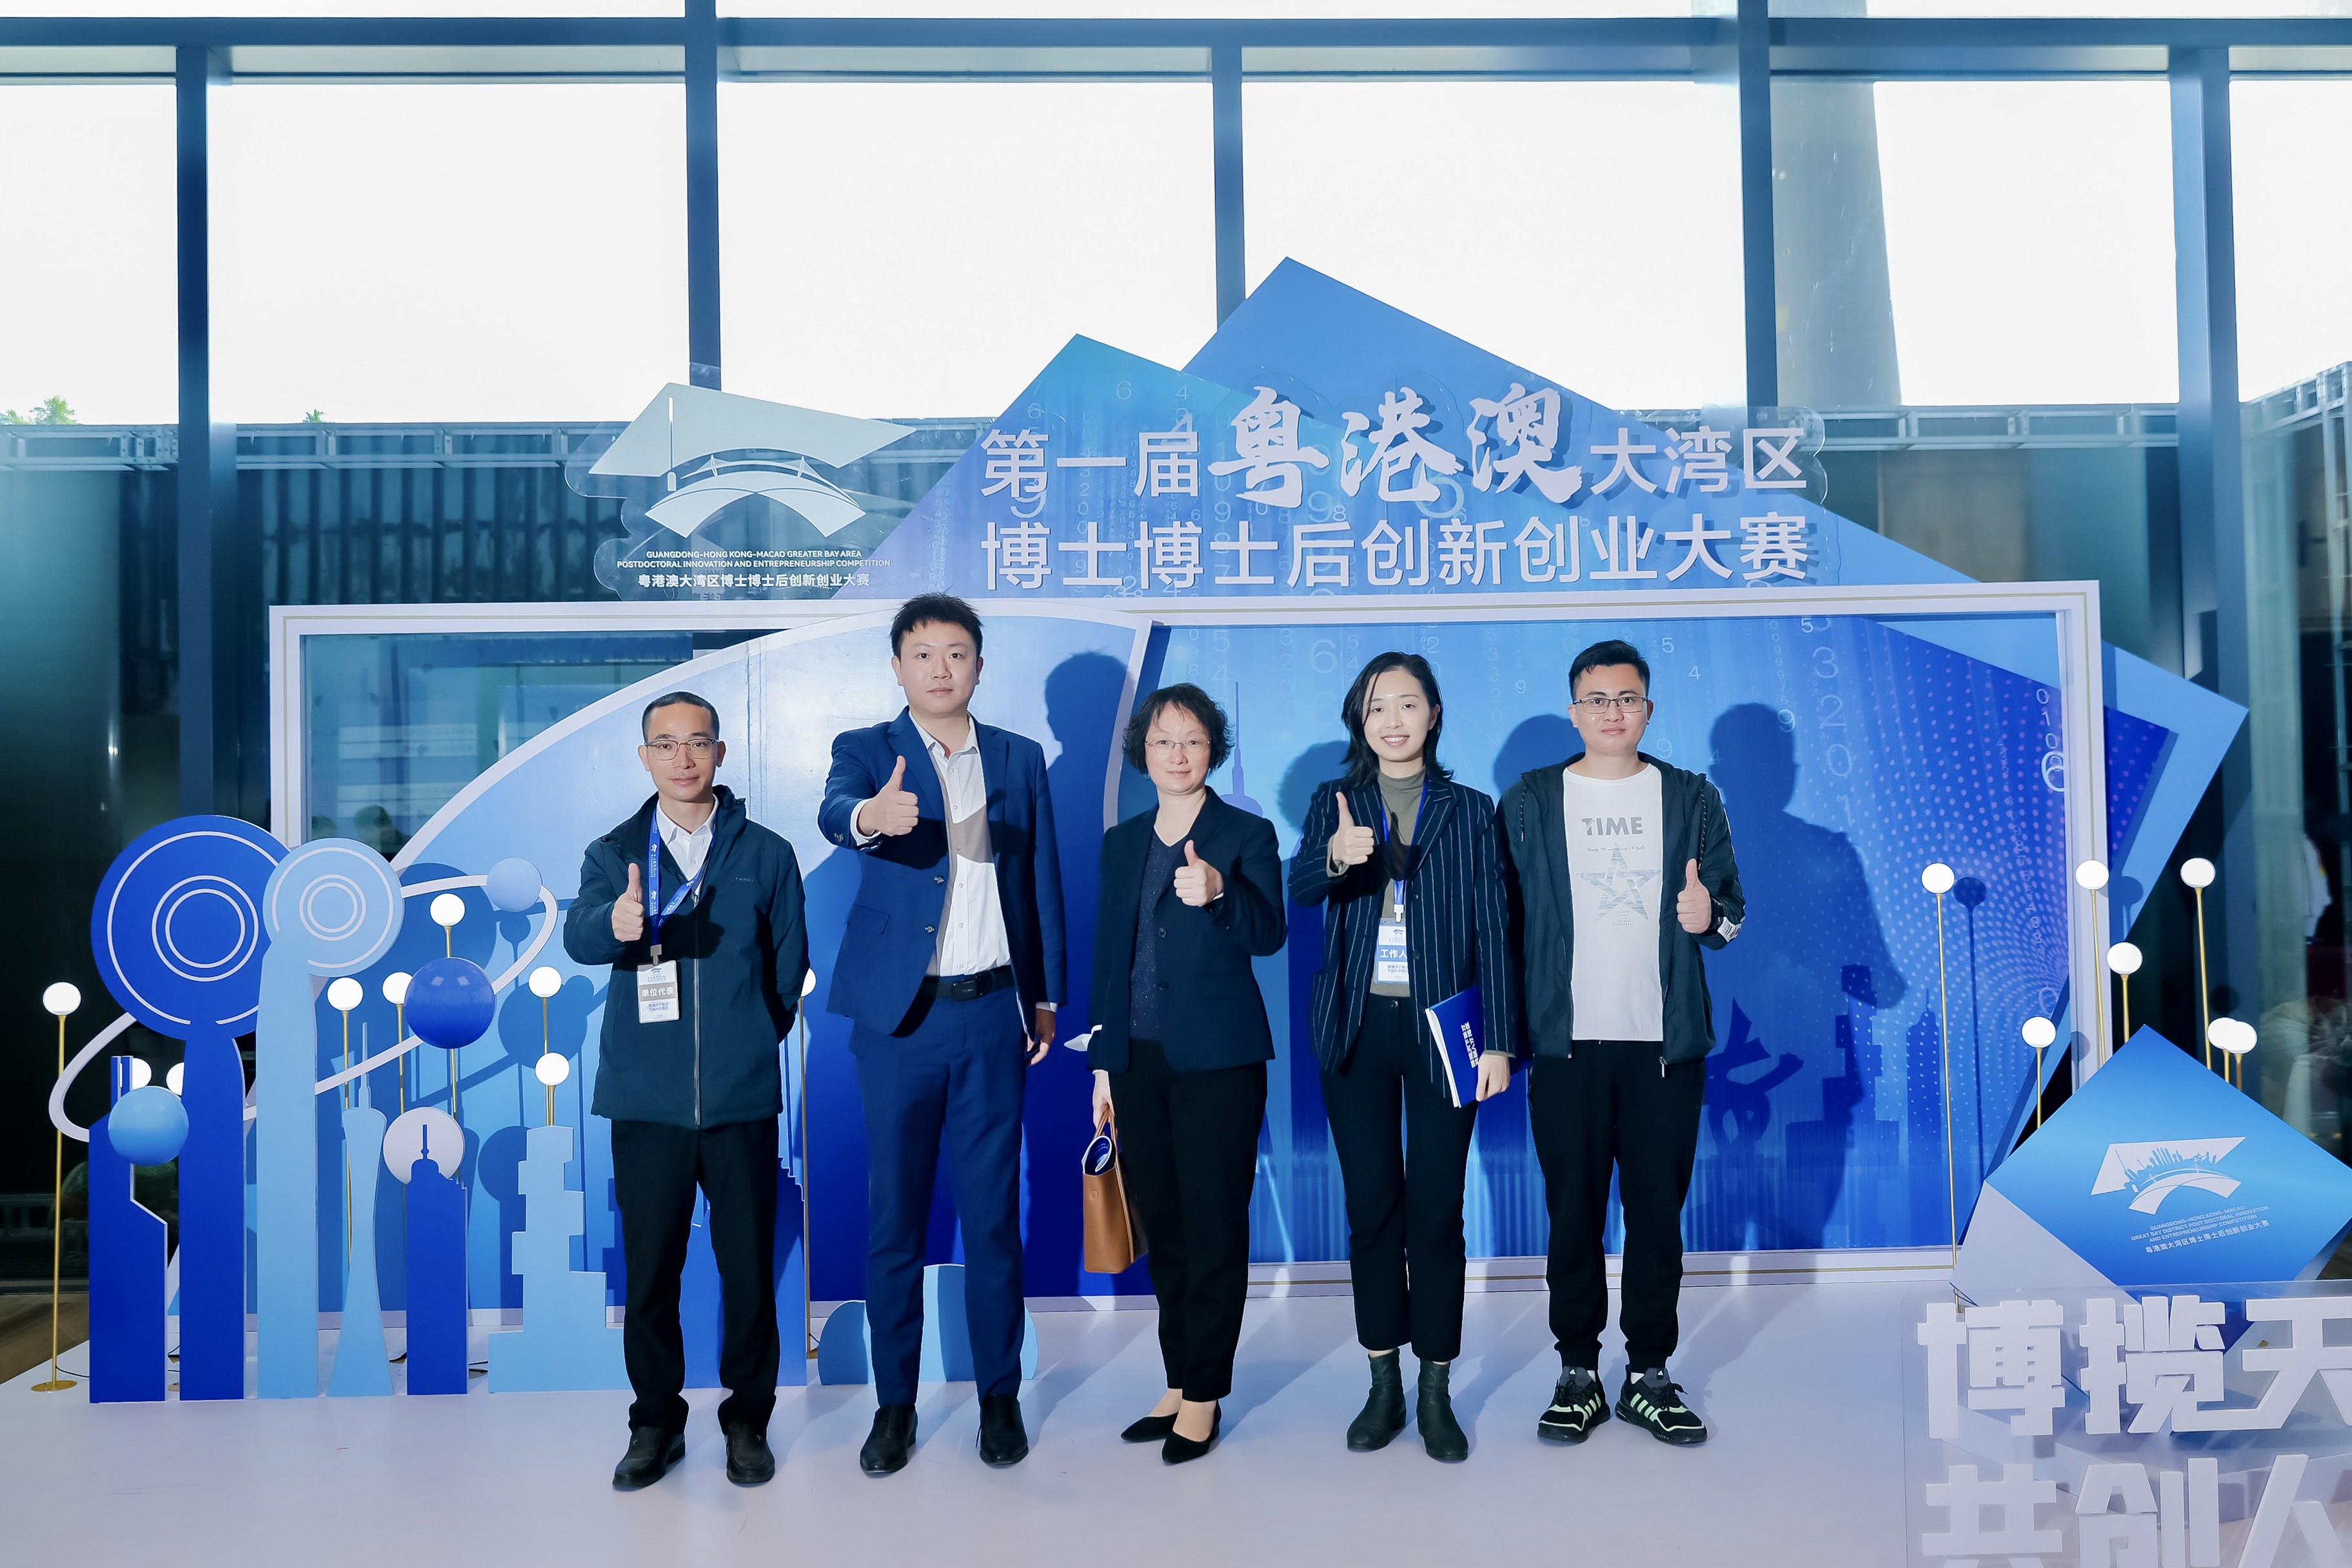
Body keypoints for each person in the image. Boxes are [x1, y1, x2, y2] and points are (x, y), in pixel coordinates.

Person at [816, 594, 1065, 1475]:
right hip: (899, 1021)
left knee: (993, 1220)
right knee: (895, 1220)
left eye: (955, 653)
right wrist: (868, 818)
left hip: (992, 1011)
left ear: (978, 666)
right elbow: (835, 810)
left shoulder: (1017, 756)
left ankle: (999, 1397)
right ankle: (894, 1406)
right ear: (897, 666)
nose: (939, 668)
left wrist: (1044, 997)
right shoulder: (865, 750)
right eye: (922, 653)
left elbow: (1040, 880)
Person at [1497, 639, 1744, 1448]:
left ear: (1647, 708)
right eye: (1596, 698)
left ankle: (1647, 1374)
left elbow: (1731, 913)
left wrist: (1708, 919)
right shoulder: (1529, 800)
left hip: (1662, 1049)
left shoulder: (1691, 796)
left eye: (1626, 697)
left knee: (1655, 1218)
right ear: (1574, 711)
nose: (1612, 711)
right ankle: (1577, 1371)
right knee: (1570, 1215)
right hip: (1564, 1047)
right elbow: (1499, 925)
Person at [562, 691, 808, 1492]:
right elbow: (578, 934)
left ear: (719, 752)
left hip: (740, 1099)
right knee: (650, 1274)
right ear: (644, 757)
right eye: (665, 744)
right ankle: (654, 1423)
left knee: (748, 1271)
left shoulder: (766, 852)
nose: (682, 757)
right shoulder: (614, 851)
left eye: (697, 741)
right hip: (645, 1100)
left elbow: (786, 972)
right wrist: (614, 924)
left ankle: (747, 1420)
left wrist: (747, 1039)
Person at [1288, 652, 1519, 1462]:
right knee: (1371, 1207)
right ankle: (1381, 1380)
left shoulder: (1471, 808)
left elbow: (1495, 928)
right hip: (1354, 1027)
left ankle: (1434, 1387)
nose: (1392, 719)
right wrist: (1336, 854)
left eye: (1407, 703)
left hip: (1443, 1031)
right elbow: (1301, 888)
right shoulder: (1334, 800)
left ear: (1433, 713)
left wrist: (1499, 1038)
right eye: (1377, 705)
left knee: (1436, 1210)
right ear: (1360, 719)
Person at [1086, 683, 1285, 1465]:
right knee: (1164, 1227)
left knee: (1212, 1226)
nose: (1177, 753)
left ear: (1213, 749)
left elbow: (1268, 933)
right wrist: (1102, 1064)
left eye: (1192, 739)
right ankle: (1177, 1377)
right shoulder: (1120, 841)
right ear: (1142, 750)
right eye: (1163, 739)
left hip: (1219, 1061)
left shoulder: (1244, 833)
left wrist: (1221, 892)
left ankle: (1204, 1392)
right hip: (1136, 1059)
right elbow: (1110, 957)